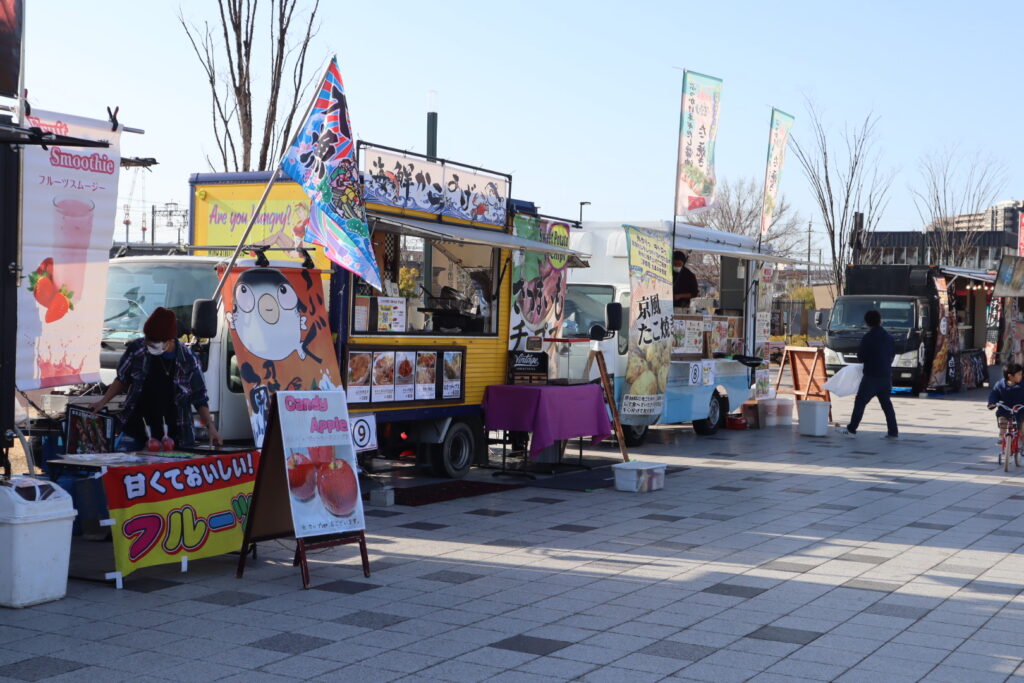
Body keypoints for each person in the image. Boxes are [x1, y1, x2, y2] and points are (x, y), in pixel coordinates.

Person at [91, 307, 223, 450]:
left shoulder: (188, 359)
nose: (149, 344)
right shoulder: (138, 349)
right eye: (148, 339)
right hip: (136, 429)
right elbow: (122, 379)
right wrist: (102, 402)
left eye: (154, 341)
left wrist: (210, 426)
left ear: (170, 340)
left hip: (175, 435)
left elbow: (200, 397)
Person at [837, 309, 898, 438]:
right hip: (886, 376)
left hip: (871, 376)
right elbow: (892, 355)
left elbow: (861, 357)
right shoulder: (889, 337)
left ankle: (852, 429)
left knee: (860, 401)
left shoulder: (868, 337)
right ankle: (893, 431)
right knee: (886, 404)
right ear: (880, 321)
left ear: (867, 323)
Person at [987, 363, 1024, 448]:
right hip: (1005, 410)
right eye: (1019, 374)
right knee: (1002, 421)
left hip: (1021, 410)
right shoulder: (1000, 385)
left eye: (1021, 374)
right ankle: (1001, 437)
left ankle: (1022, 441)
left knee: (1022, 430)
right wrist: (992, 403)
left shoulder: (1022, 385)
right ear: (1010, 376)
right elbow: (994, 394)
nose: (1021, 376)